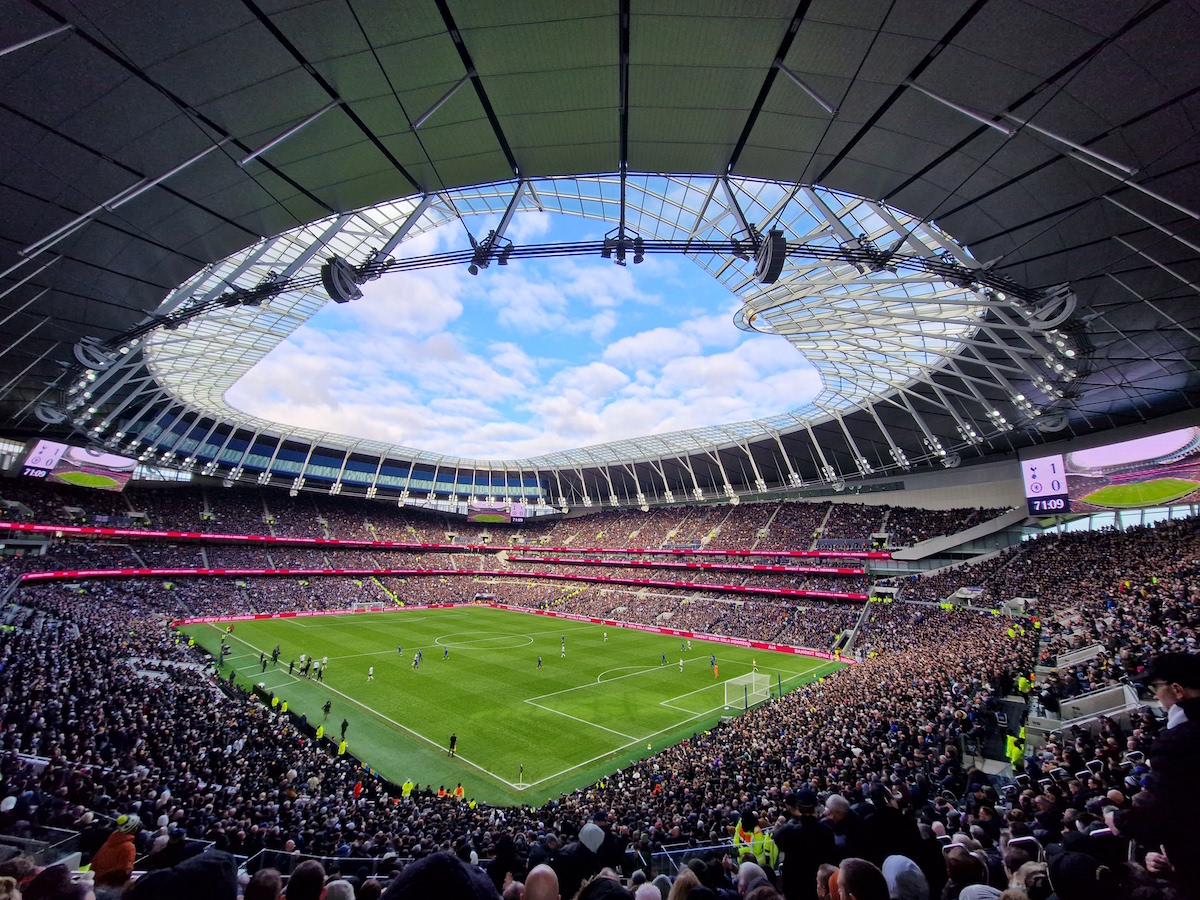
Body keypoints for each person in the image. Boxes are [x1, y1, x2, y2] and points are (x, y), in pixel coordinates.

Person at [1110, 652, 1200, 893]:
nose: (1154, 695)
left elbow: (1164, 813)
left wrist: (1118, 820)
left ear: (1177, 690)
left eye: (1155, 687)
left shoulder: (1176, 743)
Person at [773, 790, 836, 900]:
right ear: (816, 806)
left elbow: (777, 838)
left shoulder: (787, 832)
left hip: (795, 887)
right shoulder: (826, 832)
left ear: (797, 807)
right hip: (818, 886)